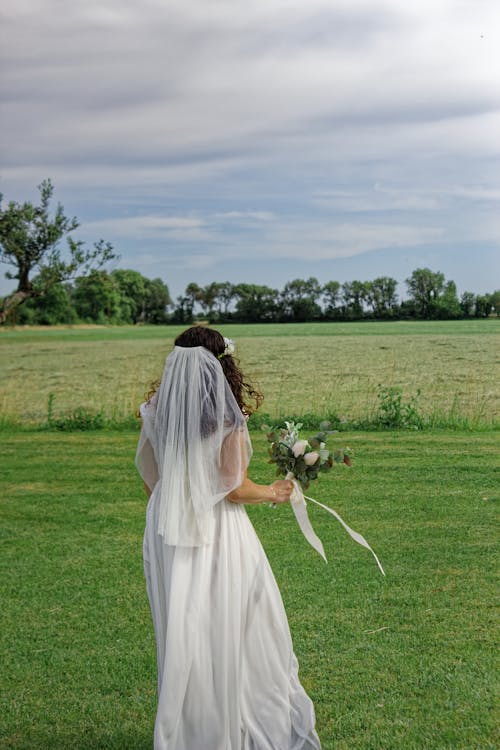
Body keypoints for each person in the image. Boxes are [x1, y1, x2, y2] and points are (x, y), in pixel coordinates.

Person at [136, 325, 322, 750]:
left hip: (168, 533)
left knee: (185, 629)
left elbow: (152, 480)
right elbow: (233, 487)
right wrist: (274, 491)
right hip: (219, 534)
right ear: (223, 366)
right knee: (242, 622)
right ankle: (233, 720)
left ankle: (191, 727)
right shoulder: (226, 418)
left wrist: (176, 504)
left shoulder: (154, 412)